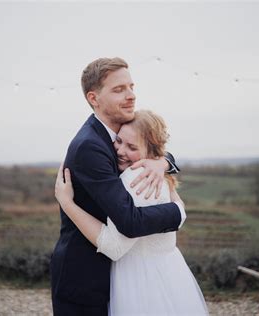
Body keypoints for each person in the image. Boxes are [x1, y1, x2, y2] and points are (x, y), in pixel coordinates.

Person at [50, 57, 186, 316]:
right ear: (94, 98)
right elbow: (130, 222)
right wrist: (178, 212)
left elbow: (153, 145)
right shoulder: (90, 146)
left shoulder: (120, 133)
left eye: (131, 86)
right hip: (84, 276)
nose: (131, 95)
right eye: (119, 89)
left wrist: (163, 163)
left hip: (116, 274)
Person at [55, 110, 209, 316]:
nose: (120, 150)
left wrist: (67, 203)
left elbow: (114, 247)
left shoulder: (138, 180)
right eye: (119, 141)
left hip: (142, 281)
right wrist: (164, 163)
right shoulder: (154, 170)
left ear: (151, 152)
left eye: (132, 147)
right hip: (164, 272)